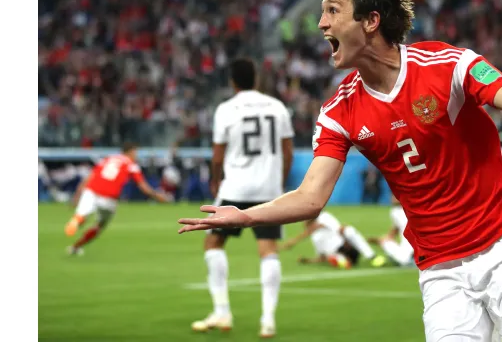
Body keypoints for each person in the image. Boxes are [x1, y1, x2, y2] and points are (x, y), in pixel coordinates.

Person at [178, 0, 502, 342]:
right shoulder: (338, 112)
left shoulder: (449, 66)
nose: (321, 24)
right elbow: (310, 198)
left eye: (332, 11)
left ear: (370, 21)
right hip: (440, 269)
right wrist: (245, 214)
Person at [190, 58, 295, 338]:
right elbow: (288, 153)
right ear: (256, 79)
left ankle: (222, 311)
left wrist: (216, 180)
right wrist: (279, 184)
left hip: (235, 189)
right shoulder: (277, 107)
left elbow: (217, 156)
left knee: (213, 242)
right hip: (269, 189)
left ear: (232, 82)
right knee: (268, 248)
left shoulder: (226, 109)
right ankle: (268, 320)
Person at [64, 142, 170, 255]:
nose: (137, 155)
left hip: (91, 191)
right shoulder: (131, 164)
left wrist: (77, 194)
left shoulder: (108, 159)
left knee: (81, 215)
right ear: (131, 151)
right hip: (108, 197)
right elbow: (143, 186)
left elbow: (90, 177)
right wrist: (157, 196)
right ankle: (75, 247)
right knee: (100, 224)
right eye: (136, 152)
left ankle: (76, 221)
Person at [278, 211, 387, 269]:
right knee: (331, 257)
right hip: (336, 253)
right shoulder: (316, 237)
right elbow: (321, 258)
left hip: (345, 247)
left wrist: (293, 242)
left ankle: (371, 256)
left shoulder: (324, 217)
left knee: (349, 231)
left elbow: (339, 228)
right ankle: (342, 261)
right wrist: (308, 261)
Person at [369, 194, 415, 266]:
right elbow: (396, 228)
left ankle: (410, 258)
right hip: (407, 245)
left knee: (405, 260)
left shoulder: (411, 208)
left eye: (394, 196)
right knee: (386, 242)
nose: (392, 198)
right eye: (392, 196)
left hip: (416, 244)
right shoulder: (395, 212)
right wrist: (387, 238)